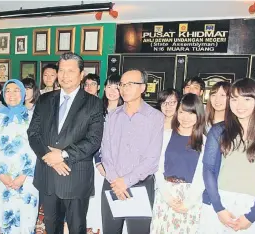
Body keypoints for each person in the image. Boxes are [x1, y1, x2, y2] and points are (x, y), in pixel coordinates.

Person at [28, 52, 104, 234]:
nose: (64, 75)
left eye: (70, 71)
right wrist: (50, 157)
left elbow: (93, 140)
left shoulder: (93, 103)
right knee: (51, 226)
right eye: (61, 70)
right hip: (48, 175)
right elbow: (33, 133)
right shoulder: (45, 99)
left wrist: (62, 155)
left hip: (75, 176)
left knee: (77, 227)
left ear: (81, 74)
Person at [200, 78, 255, 234]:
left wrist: (253, 214)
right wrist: (218, 208)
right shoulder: (218, 131)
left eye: (246, 99)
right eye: (234, 99)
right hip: (217, 202)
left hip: (252, 205)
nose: (239, 105)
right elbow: (208, 169)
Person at [101, 69, 164, 234]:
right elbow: (106, 152)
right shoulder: (113, 116)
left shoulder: (155, 117)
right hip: (112, 184)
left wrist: (126, 181)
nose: (124, 88)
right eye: (122, 84)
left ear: (143, 88)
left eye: (130, 84)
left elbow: (152, 159)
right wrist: (116, 181)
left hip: (140, 184)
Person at [0, 79, 39, 233]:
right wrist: (2, 175)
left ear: (23, 94)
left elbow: (36, 149)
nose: (12, 94)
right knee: (6, 221)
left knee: (26, 220)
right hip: (3, 179)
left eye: (17, 90)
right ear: (3, 94)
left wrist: (23, 176)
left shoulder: (33, 118)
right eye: (8, 90)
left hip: (27, 178)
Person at [151, 93, 206, 233]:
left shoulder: (205, 142)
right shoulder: (165, 136)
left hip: (190, 198)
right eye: (182, 112)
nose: (185, 117)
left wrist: (189, 201)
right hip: (165, 194)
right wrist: (167, 196)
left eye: (191, 113)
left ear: (198, 115)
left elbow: (204, 175)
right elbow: (157, 168)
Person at [87, 74, 124, 233]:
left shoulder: (126, 111)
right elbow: (91, 137)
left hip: (119, 165)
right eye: (109, 86)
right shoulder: (96, 110)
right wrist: (98, 161)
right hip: (98, 163)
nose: (112, 91)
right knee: (96, 201)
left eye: (116, 87)